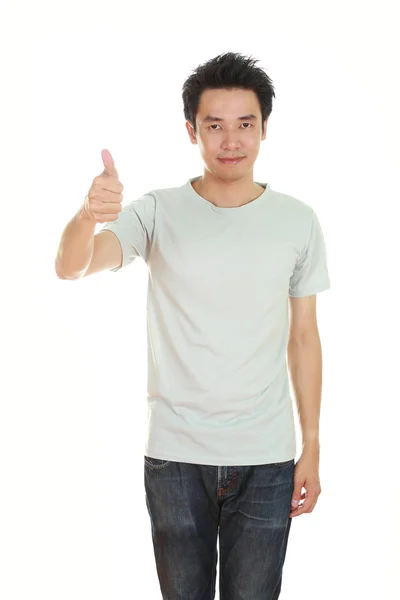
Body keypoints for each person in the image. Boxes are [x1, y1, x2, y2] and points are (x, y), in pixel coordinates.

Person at [55, 51, 330, 599]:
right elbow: (72, 266)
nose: (231, 140)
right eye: (214, 126)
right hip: (177, 456)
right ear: (191, 131)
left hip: (267, 456)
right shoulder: (157, 211)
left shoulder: (298, 221)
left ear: (264, 129)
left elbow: (304, 338)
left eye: (245, 124)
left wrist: (313, 444)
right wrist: (89, 214)